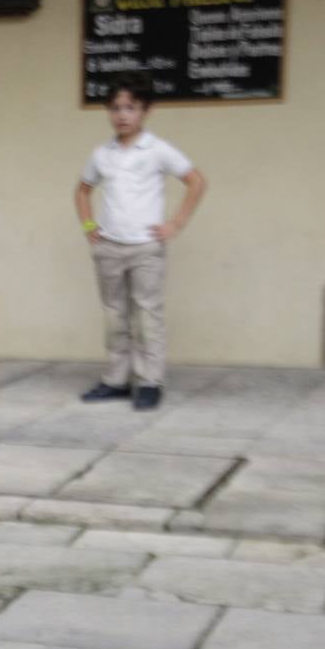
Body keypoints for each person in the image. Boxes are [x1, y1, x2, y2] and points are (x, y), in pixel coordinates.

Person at [74, 72, 207, 411]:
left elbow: (196, 181)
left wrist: (176, 223)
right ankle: (116, 379)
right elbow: (83, 190)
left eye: (130, 108)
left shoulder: (157, 150)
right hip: (109, 246)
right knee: (114, 316)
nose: (122, 115)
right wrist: (89, 225)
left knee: (148, 315)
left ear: (145, 110)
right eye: (115, 108)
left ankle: (150, 381)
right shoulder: (102, 154)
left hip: (146, 248)